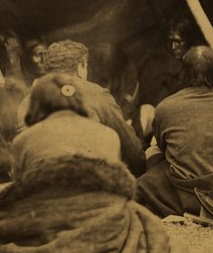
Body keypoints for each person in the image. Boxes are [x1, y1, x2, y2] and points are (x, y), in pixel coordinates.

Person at [0, 75, 188, 253]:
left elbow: (21, 191)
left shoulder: (25, 140)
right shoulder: (107, 135)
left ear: (38, 104)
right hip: (102, 224)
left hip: (48, 222)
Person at [136, 47, 213, 218]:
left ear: (184, 72)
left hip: (188, 193)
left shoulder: (165, 106)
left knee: (153, 156)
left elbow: (163, 147)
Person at [19, 41, 146, 174]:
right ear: (81, 68)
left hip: (41, 180)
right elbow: (129, 146)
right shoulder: (97, 94)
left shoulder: (27, 101)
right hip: (91, 179)